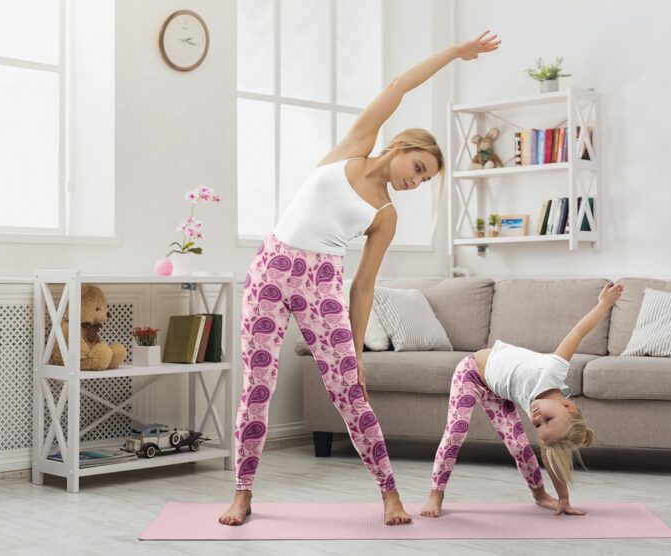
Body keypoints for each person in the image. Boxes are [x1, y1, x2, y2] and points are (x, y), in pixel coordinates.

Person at [219, 30, 502, 526]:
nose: (414, 181)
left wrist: (356, 350)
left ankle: (389, 492)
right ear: (399, 147)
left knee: (351, 393)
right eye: (416, 167)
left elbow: (364, 286)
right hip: (268, 270)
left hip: (321, 284)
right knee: (256, 388)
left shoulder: (386, 214)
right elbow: (398, 85)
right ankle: (242, 493)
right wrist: (455, 53)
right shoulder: (354, 146)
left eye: (423, 180)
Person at [421, 283, 624, 518]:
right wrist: (604, 304)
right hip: (471, 372)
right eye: (547, 419)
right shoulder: (553, 371)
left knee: (519, 446)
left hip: (497, 393)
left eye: (539, 426)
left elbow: (551, 457)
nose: (537, 419)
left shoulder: (542, 408)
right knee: (456, 432)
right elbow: (578, 332)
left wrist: (564, 498)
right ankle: (435, 495)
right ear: (567, 405)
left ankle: (540, 495)